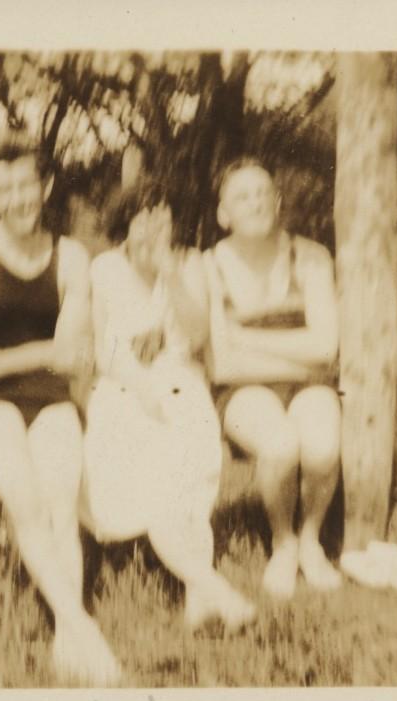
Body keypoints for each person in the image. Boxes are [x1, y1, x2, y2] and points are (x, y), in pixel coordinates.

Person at [0, 132, 121, 685]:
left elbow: (72, 358)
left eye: (28, 185)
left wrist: (10, 357)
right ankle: (84, 629)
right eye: (5, 188)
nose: (19, 198)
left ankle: (68, 635)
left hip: (51, 398)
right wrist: (39, 351)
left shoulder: (71, 257)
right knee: (25, 497)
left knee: (61, 498)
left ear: (47, 187)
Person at [82, 183, 256, 630]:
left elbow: (197, 338)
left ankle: (201, 595)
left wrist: (170, 274)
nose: (154, 230)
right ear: (125, 225)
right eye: (143, 219)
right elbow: (104, 352)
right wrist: (140, 387)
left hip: (181, 387)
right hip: (124, 389)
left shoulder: (191, 265)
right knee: (155, 479)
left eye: (163, 218)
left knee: (182, 469)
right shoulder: (103, 269)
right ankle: (213, 589)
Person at [205, 157, 343, 601]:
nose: (256, 203)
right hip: (241, 391)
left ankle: (310, 539)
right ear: (224, 214)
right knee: (281, 444)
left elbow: (326, 348)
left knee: (322, 445)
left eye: (263, 193)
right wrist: (300, 354)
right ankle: (282, 541)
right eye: (242, 196)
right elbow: (222, 365)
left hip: (308, 385)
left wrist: (245, 338)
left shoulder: (311, 257)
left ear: (278, 202)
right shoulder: (211, 266)